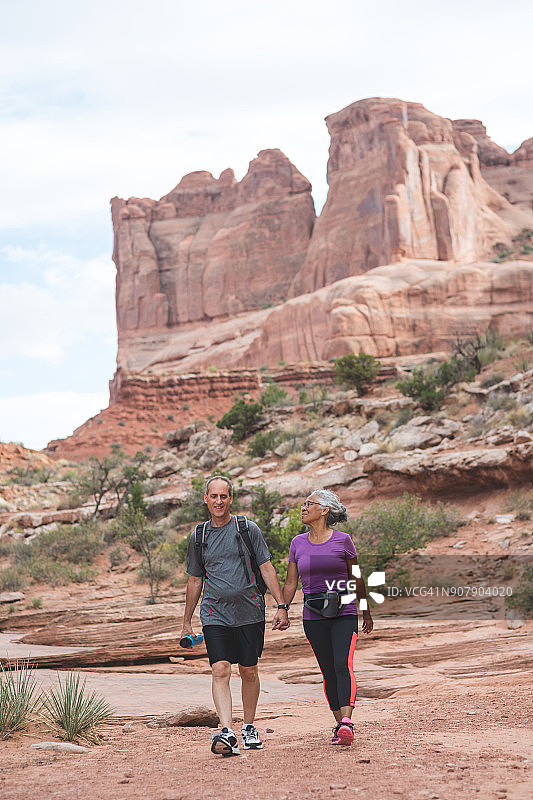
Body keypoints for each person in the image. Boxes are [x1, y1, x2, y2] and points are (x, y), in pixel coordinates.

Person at [181, 475, 290, 757]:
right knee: (220, 669)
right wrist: (186, 622)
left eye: (224, 497)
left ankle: (249, 726)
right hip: (214, 613)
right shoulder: (199, 536)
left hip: (250, 611)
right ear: (205, 499)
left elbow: (266, 567)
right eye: (213, 496)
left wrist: (281, 605)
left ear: (231, 499)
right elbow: (195, 580)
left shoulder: (247, 529)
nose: (218, 501)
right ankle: (227, 730)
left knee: (248, 670)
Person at [282, 488, 374, 746]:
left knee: (341, 664)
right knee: (328, 671)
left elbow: (356, 577)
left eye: (309, 504)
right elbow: (291, 583)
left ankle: (347, 722)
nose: (303, 507)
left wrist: (365, 609)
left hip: (344, 610)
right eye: (303, 503)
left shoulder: (343, 540)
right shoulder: (297, 543)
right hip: (313, 614)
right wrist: (282, 608)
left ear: (324, 510)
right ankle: (339, 724)